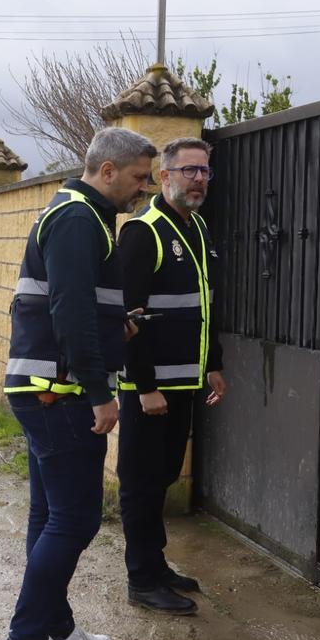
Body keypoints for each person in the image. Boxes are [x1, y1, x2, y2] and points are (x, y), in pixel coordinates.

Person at [0, 127, 155, 640]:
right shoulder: (78, 219)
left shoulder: (81, 217)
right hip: (56, 393)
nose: (143, 189)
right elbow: (68, 309)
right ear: (107, 169)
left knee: (50, 514)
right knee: (77, 518)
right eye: (138, 177)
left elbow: (81, 306)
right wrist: (100, 392)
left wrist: (118, 327)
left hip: (47, 388)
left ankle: (56, 632)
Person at [116, 137, 226, 615]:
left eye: (204, 171)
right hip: (151, 391)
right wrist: (145, 387)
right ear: (164, 176)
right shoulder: (143, 232)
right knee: (140, 481)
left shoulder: (198, 228)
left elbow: (204, 305)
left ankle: (156, 564)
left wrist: (213, 364)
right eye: (189, 171)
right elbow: (127, 318)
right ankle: (140, 579)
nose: (198, 179)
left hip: (184, 385)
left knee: (161, 477)